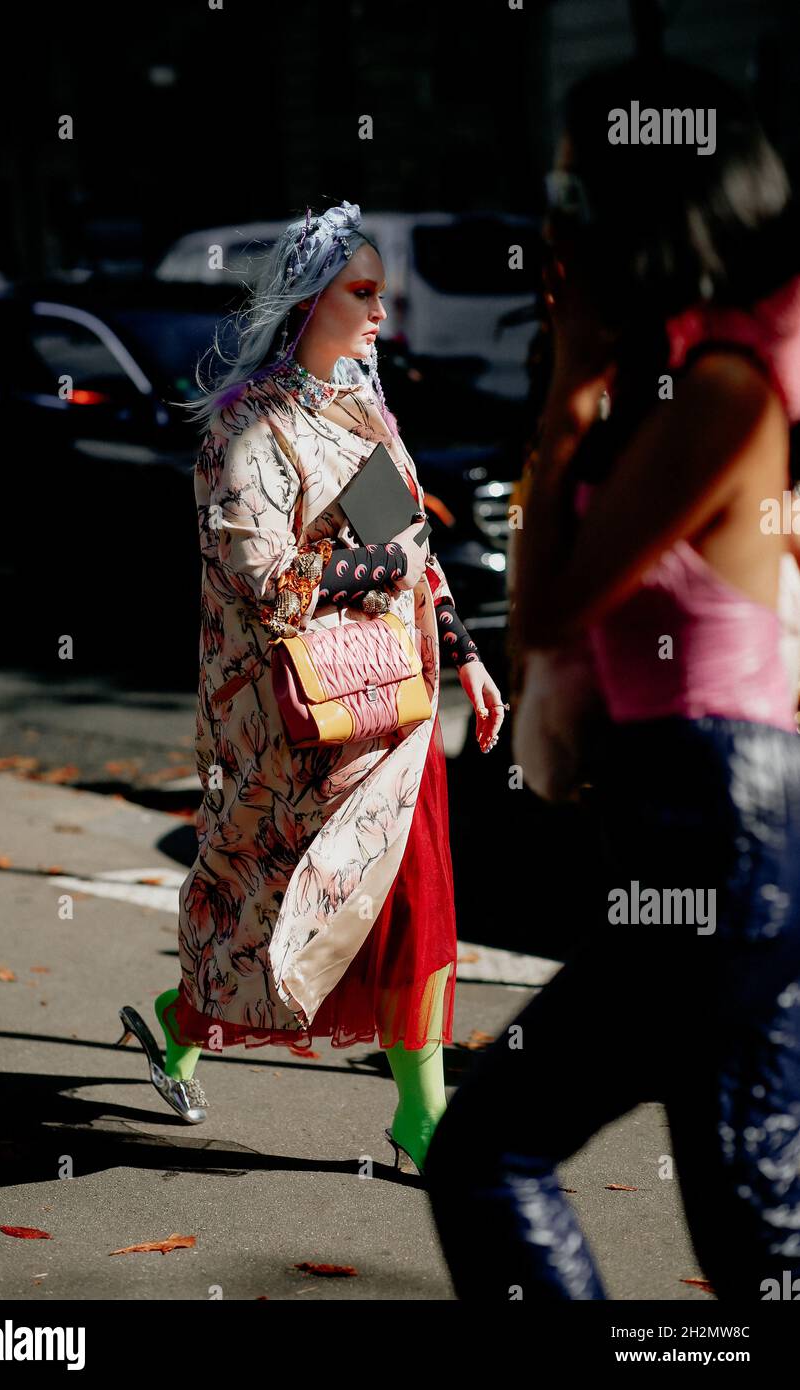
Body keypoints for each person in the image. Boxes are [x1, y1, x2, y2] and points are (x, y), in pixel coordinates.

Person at [424, 58, 800, 1299]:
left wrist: (570, 395)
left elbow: (542, 610)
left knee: (490, 1149)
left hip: (717, 829)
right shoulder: (683, 386)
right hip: (695, 829)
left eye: (572, 198)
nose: (550, 225)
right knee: (753, 1230)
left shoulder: (726, 396)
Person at [116, 200, 507, 1175]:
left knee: (418, 902)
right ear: (307, 301)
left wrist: (464, 655)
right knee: (272, 918)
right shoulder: (247, 432)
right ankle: (181, 1019)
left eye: (381, 293)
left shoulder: (357, 412)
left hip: (396, 707)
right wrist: (375, 567)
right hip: (293, 725)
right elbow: (265, 590)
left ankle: (420, 1118)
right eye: (362, 293)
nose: (382, 312)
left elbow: (411, 552)